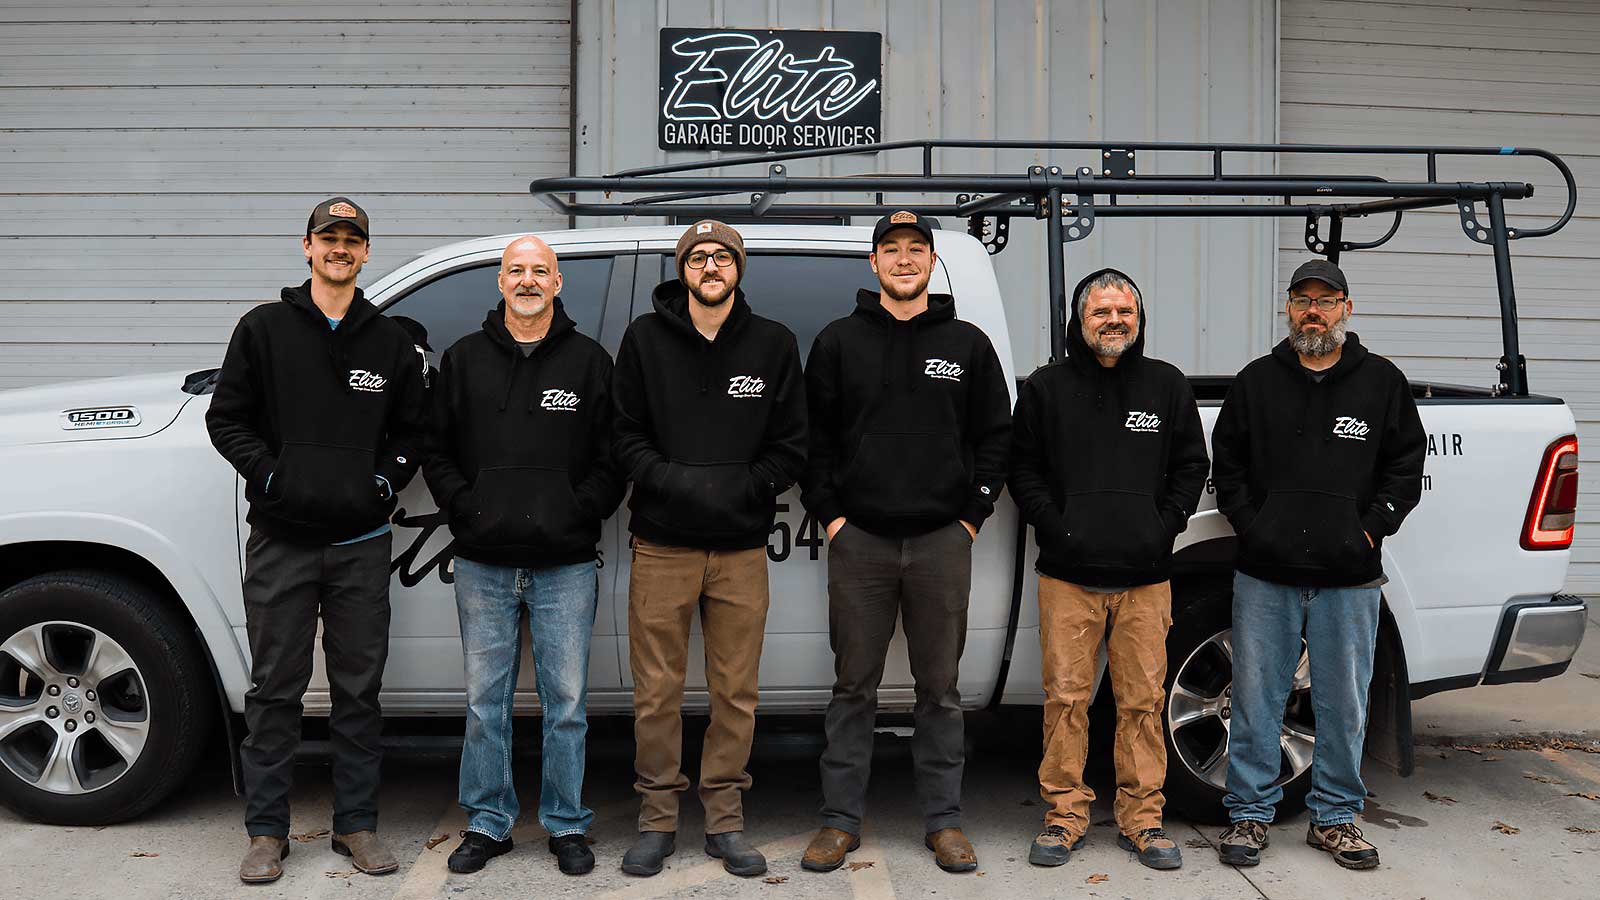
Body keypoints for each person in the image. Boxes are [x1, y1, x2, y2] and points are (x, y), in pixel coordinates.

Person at [206, 197, 426, 884]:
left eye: (351, 240)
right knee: (275, 689)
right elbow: (226, 420)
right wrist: (271, 477)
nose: (339, 249)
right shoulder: (264, 330)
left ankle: (356, 826)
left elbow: (414, 433)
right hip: (282, 541)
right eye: (327, 238)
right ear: (306, 248)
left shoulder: (390, 343)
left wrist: (384, 483)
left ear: (366, 254)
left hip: (361, 543)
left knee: (360, 691)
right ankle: (267, 832)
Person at [799, 211, 1012, 875]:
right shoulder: (838, 343)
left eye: (914, 250)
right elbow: (813, 441)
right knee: (852, 688)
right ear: (874, 263)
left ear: (930, 262)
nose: (902, 260)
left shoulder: (968, 344)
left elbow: (997, 438)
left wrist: (971, 519)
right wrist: (833, 516)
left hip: (940, 543)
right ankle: (839, 822)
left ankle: (944, 822)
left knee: (940, 691)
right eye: (890, 249)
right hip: (858, 542)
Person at [1211, 258, 1426, 871]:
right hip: (1265, 573)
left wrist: (1369, 528)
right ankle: (1249, 817)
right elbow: (1227, 465)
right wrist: (1254, 526)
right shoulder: (1256, 382)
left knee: (1343, 701)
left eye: (1326, 301)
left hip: (1349, 577)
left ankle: (1334, 819)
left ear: (1346, 309)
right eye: (1302, 300)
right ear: (1287, 308)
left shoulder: (1381, 383)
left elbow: (1405, 469)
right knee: (1256, 696)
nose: (1313, 311)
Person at [611, 220, 807, 878]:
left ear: (739, 269)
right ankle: (657, 819)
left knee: (735, 692)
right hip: (663, 546)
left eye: (723, 256)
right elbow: (623, 435)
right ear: (683, 269)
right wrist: (669, 482)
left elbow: (793, 444)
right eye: (699, 257)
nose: (711, 265)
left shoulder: (773, 345)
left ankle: (724, 819)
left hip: (741, 549)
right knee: (656, 693)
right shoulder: (643, 341)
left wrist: (746, 488)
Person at [424, 235, 623, 877]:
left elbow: (613, 457)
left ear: (559, 283)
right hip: (483, 560)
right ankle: (488, 821)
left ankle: (566, 823)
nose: (529, 280)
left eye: (541, 270)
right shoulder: (462, 360)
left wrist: (576, 508)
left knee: (566, 703)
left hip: (565, 562)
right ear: (501, 283)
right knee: (487, 703)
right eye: (517, 270)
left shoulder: (590, 363)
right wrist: (467, 506)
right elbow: (436, 449)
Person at [1008, 268, 1209, 870]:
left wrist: (1162, 525)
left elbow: (1189, 468)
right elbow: (1023, 472)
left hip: (1146, 578)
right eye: (1101, 312)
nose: (1114, 321)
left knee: (1142, 702)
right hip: (1068, 577)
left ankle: (1143, 819)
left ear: (1139, 320)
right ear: (1080, 319)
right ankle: (1064, 816)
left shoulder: (1166, 386)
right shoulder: (1046, 389)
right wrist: (1059, 525)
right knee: (1066, 701)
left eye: (1125, 311)